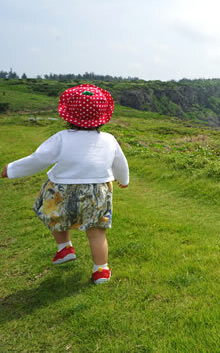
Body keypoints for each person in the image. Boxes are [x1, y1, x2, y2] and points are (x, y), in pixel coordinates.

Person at [1, 84, 129, 284]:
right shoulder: (109, 139)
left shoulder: (61, 138)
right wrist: (123, 179)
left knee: (56, 218)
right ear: (103, 115)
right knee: (96, 232)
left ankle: (65, 248)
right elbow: (120, 162)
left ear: (68, 115)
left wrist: (12, 169)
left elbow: (39, 159)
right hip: (97, 191)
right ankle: (101, 270)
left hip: (61, 189)